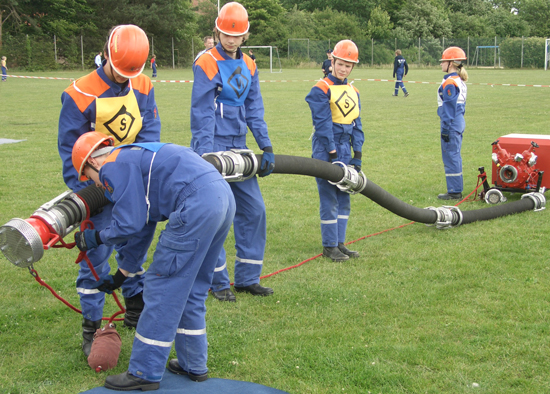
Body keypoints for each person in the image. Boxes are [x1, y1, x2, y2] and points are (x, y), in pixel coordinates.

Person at [71, 132, 236, 391]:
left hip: (194, 203)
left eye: (89, 178)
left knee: (161, 290)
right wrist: (122, 274)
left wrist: (95, 237)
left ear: (92, 162)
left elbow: (129, 223)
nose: (97, 185)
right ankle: (193, 364)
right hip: (221, 197)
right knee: (191, 289)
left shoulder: (112, 167)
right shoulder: (133, 156)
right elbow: (143, 225)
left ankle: (144, 372)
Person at [57, 24, 161, 357]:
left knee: (134, 250)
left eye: (130, 72)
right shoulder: (79, 94)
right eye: (120, 71)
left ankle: (134, 309)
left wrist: (139, 183)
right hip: (96, 190)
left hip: (135, 187)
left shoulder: (142, 83)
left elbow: (150, 135)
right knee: (95, 258)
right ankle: (91, 325)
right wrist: (89, 194)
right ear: (107, 53)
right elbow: (70, 152)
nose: (124, 78)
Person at [191, 1, 275, 302]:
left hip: (240, 148)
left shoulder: (250, 65)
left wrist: (265, 146)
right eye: (226, 33)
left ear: (245, 36)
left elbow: (254, 109)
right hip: (213, 149)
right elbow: (201, 113)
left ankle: (248, 278)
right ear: (218, 30)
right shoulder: (206, 63)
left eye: (236, 35)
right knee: (217, 214)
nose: (230, 39)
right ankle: (218, 281)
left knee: (255, 211)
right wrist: (203, 156)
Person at [305, 40, 364, 262]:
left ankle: (340, 243)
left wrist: (357, 156)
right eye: (340, 64)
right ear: (332, 61)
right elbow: (323, 125)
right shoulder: (320, 89)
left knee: (345, 197)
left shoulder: (353, 90)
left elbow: (357, 125)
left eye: (348, 66)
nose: (343, 69)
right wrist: (332, 155)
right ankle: (329, 246)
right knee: (329, 198)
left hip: (345, 150)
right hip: (325, 149)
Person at [437, 46, 468, 200]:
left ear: (451, 63)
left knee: (450, 155)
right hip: (459, 121)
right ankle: (457, 187)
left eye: (443, 61)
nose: (441, 64)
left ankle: (454, 191)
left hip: (451, 122)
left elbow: (449, 106)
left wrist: (446, 127)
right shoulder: (459, 81)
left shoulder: (450, 82)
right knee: (455, 154)